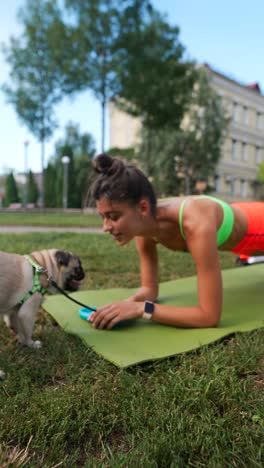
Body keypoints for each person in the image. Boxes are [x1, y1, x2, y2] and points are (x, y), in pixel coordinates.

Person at [89, 153, 264, 330]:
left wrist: (141, 309)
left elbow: (209, 317)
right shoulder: (143, 225)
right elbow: (149, 290)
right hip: (243, 218)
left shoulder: (195, 222)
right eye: (103, 217)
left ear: (142, 207)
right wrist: (124, 306)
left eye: (113, 217)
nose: (106, 227)